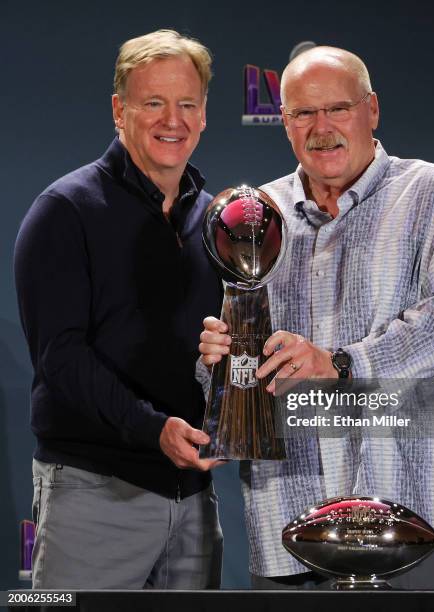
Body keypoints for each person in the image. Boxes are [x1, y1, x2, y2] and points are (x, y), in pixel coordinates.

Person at [199, 46, 434, 590]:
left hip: (430, 508)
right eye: (302, 114)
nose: (322, 128)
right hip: (293, 519)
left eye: (338, 108)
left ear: (372, 110)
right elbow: (245, 374)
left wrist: (340, 363)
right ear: (284, 122)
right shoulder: (255, 215)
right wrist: (219, 369)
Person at [14, 29, 224, 590]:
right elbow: (61, 358)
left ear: (204, 115)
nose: (171, 120)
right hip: (93, 493)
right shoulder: (64, 210)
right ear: (119, 109)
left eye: (186, 104)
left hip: (196, 506)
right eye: (153, 102)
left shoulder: (218, 221)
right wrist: (151, 428)